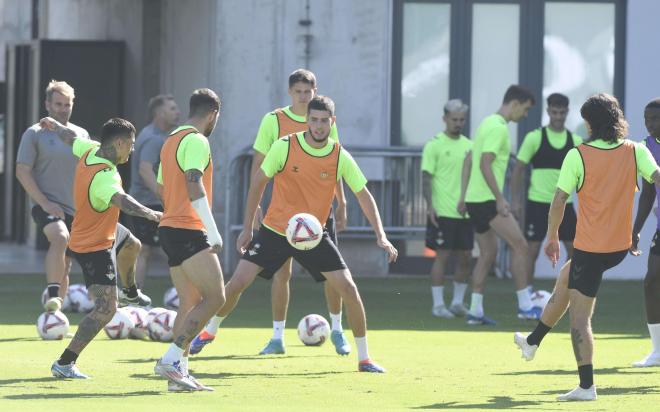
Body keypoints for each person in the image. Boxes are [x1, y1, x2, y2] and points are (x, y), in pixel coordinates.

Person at [200, 96, 396, 373]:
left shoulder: (339, 155)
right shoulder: (285, 146)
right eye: (313, 120)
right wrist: (247, 227)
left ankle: (364, 358)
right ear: (307, 120)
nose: (318, 125)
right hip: (275, 230)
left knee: (349, 289)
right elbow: (258, 182)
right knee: (237, 283)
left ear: (332, 122)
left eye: (323, 121)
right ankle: (209, 331)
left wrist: (382, 235)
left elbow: (364, 195)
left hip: (313, 235)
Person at [191, 69, 351, 356]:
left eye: (308, 91)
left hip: (316, 216)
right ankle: (272, 337)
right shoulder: (274, 121)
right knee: (278, 274)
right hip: (282, 215)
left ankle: (338, 330)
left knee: (332, 277)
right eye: (299, 91)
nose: (304, 96)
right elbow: (259, 167)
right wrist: (255, 210)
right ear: (290, 92)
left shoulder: (323, 119)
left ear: (315, 92)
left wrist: (341, 202)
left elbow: (334, 160)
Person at [514, 93, 660, 401]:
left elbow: (558, 200)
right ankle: (532, 342)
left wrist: (552, 237)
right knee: (565, 280)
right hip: (617, 248)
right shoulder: (638, 150)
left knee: (580, 318)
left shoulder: (577, 154)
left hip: (592, 248)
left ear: (589, 123)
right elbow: (657, 178)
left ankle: (586, 387)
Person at [42, 117, 162, 379]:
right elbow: (123, 201)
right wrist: (153, 215)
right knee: (106, 310)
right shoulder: (105, 176)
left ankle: (130, 292)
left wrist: (54, 125)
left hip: (106, 230)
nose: (131, 150)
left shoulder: (89, 148)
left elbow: (69, 138)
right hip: (92, 246)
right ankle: (64, 363)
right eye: (130, 145)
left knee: (133, 244)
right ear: (118, 143)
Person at [153, 88, 225, 392]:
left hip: (169, 227)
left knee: (190, 301)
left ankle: (179, 374)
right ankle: (171, 358)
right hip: (188, 229)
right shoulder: (197, 140)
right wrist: (211, 230)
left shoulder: (170, 141)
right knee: (216, 298)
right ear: (213, 115)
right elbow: (194, 184)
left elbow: (161, 187)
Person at [459, 85, 537, 325]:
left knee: (487, 254)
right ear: (514, 104)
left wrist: (463, 197)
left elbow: (469, 160)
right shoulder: (499, 128)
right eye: (524, 110)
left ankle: (475, 311)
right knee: (521, 246)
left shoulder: (486, 123)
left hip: (475, 200)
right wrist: (500, 198)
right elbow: (484, 163)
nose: (524, 115)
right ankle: (525, 307)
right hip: (486, 200)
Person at [15, 80, 89, 311]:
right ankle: (54, 294)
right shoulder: (34, 133)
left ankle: (54, 314)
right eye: (58, 104)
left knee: (65, 264)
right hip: (45, 204)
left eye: (67, 104)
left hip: (75, 208)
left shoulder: (81, 134)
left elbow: (87, 172)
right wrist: (45, 203)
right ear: (47, 104)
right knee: (59, 236)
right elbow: (22, 171)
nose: (63, 109)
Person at [511, 93, 582, 291]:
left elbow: (585, 174)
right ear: (548, 111)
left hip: (564, 205)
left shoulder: (575, 140)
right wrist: (516, 201)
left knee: (575, 252)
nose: (558, 117)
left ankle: (568, 292)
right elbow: (518, 170)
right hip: (537, 204)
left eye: (562, 113)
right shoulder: (534, 137)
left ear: (567, 112)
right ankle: (527, 296)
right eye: (554, 112)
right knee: (530, 251)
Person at [421, 99, 472, 318]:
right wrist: (430, 206)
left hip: (465, 213)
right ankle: (438, 305)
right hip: (442, 212)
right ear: (445, 119)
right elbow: (425, 177)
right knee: (441, 257)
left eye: (461, 120)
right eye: (454, 119)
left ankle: (457, 303)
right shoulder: (434, 145)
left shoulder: (470, 146)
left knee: (466, 258)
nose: (458, 123)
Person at [128, 94, 180, 288]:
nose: (178, 112)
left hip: (152, 201)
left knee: (151, 249)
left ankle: (134, 294)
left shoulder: (160, 134)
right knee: (146, 250)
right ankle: (133, 295)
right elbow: (145, 169)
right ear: (159, 113)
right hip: (148, 203)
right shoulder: (154, 138)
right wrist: (165, 197)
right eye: (172, 109)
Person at [630, 98, 660, 367]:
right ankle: (657, 350)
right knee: (652, 280)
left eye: (655, 119)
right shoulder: (645, 148)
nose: (650, 124)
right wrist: (635, 230)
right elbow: (648, 193)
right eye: (647, 119)